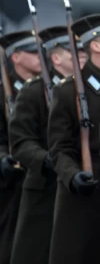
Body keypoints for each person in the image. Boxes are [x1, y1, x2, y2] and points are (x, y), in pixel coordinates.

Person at [48, 14, 100, 264]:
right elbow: (59, 148)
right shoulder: (67, 90)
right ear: (96, 45)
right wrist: (72, 175)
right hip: (83, 190)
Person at [9, 27, 81, 264]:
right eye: (74, 53)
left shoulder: (81, 89)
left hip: (76, 182)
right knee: (35, 252)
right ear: (56, 58)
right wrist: (48, 160)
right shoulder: (32, 92)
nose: (82, 56)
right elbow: (20, 141)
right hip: (44, 185)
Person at [0, 30, 41, 264]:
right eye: (33, 52)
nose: (40, 57)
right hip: (8, 180)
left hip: (34, 173)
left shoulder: (44, 89)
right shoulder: (2, 90)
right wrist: (3, 157)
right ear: (15, 57)